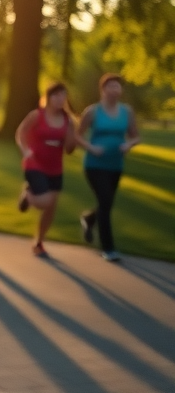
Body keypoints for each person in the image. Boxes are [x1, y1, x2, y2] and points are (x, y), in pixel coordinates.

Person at [16, 83, 98, 258]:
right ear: (48, 97)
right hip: (34, 163)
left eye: (63, 95)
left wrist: (74, 136)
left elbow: (69, 149)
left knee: (51, 207)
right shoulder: (37, 115)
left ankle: (39, 242)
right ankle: (28, 195)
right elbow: (21, 132)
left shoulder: (68, 121)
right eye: (56, 95)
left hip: (55, 167)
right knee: (43, 201)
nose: (60, 99)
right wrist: (25, 150)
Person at [77, 74, 142, 261]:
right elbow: (77, 136)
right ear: (103, 89)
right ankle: (108, 248)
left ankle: (89, 219)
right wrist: (91, 147)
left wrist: (128, 145)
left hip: (116, 165)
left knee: (106, 204)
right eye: (111, 86)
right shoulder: (92, 111)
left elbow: (136, 136)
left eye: (118, 86)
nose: (115, 89)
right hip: (94, 165)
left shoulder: (126, 111)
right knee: (106, 202)